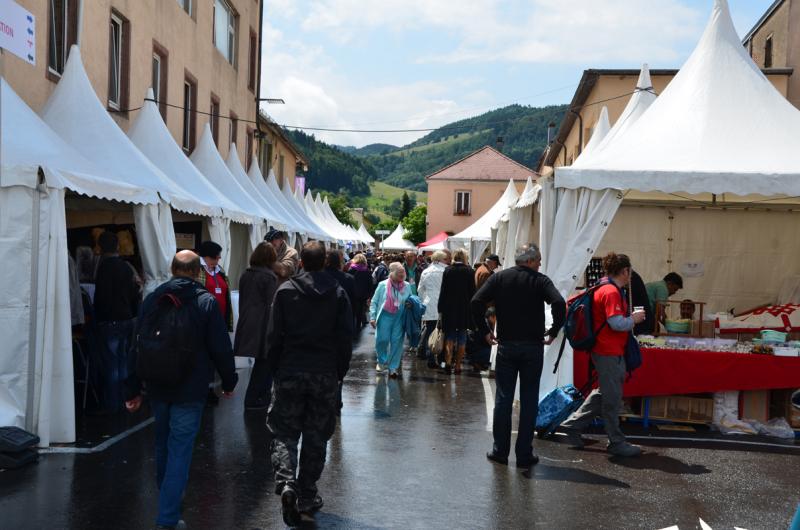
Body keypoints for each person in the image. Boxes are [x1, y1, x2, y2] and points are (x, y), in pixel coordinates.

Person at [125, 250, 238, 530]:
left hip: (157, 384)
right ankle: (168, 516)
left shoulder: (153, 298)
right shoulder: (205, 302)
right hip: (191, 386)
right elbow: (221, 347)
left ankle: (170, 499)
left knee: (163, 445)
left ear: (172, 269)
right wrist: (229, 381)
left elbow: (136, 344)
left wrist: (132, 388)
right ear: (197, 272)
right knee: (180, 449)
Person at [266, 241, 353, 526]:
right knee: (316, 436)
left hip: (290, 369)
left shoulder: (286, 291)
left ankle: (288, 483)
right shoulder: (337, 293)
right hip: (324, 372)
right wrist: (339, 372)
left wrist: (274, 369)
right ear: (325, 262)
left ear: (300, 261)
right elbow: (345, 338)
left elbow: (274, 336)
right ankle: (306, 493)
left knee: (284, 432)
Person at [472, 244, 566, 469]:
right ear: (531, 260)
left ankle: (500, 451)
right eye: (539, 260)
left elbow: (476, 302)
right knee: (529, 399)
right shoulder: (540, 280)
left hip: (507, 345)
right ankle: (524, 454)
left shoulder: (500, 278)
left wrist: (484, 331)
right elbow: (559, 303)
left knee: (503, 399)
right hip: (532, 346)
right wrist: (553, 331)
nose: (540, 264)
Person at [560, 252, 646, 458]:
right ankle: (616, 442)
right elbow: (616, 323)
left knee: (605, 394)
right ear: (625, 271)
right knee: (612, 399)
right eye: (629, 271)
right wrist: (634, 319)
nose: (630, 275)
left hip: (606, 350)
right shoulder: (611, 292)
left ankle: (571, 426)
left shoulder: (603, 286)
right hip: (608, 351)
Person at [93, 231, 141, 413]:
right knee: (123, 362)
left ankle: (113, 403)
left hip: (109, 319)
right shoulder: (125, 266)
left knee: (112, 364)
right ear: (118, 246)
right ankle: (125, 399)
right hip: (126, 318)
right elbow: (133, 292)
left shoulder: (104, 267)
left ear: (100, 247)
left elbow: (100, 297)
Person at [234, 242, 278, 411]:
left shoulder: (246, 274)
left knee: (261, 362)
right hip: (264, 323)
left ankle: (255, 397)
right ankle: (257, 397)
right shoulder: (269, 277)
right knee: (265, 363)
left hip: (247, 320)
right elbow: (271, 304)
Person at [198, 241, 233, 406]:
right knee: (204, 358)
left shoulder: (219, 271)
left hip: (219, 321)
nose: (219, 258)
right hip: (203, 323)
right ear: (207, 256)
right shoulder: (198, 271)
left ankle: (210, 390)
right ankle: (204, 391)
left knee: (215, 357)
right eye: (216, 255)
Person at [369, 262, 412, 378]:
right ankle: (381, 361)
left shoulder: (407, 286)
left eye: (403, 274)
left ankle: (393, 368)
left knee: (397, 343)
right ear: (391, 274)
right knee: (381, 340)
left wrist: (410, 304)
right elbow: (374, 302)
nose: (402, 276)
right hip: (385, 316)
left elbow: (411, 299)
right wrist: (372, 316)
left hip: (399, 317)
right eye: (399, 274)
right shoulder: (382, 285)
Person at [437, 248, 476, 374]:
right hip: (464, 309)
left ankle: (448, 362)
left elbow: (443, 291)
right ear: (465, 257)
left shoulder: (448, 270)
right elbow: (473, 293)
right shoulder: (470, 271)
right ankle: (458, 365)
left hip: (449, 309)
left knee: (449, 337)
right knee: (462, 338)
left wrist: (440, 308)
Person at [416, 249, 450, 366]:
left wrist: (424, 300)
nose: (448, 260)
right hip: (443, 304)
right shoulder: (445, 270)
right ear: (441, 259)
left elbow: (420, 290)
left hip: (429, 304)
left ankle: (429, 356)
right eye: (446, 258)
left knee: (430, 331)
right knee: (442, 333)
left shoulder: (426, 271)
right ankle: (440, 358)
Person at [347, 253, 374, 330]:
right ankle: (358, 327)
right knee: (360, 311)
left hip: (352, 294)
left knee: (353, 311)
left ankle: (352, 327)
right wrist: (369, 295)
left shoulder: (351, 270)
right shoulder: (367, 271)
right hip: (363, 295)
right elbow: (370, 284)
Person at [466, 307, 496, 372]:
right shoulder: (485, 326)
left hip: (475, 349)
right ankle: (476, 361)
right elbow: (488, 342)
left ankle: (480, 362)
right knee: (494, 353)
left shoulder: (484, 323)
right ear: (491, 317)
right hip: (475, 351)